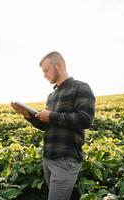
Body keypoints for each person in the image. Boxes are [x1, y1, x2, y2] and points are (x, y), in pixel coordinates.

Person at [11, 51, 95, 200]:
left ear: (59, 66)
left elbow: (85, 119)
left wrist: (51, 115)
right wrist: (28, 116)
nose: (44, 75)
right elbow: (48, 126)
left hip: (66, 159)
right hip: (48, 157)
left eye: (46, 70)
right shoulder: (52, 96)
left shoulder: (81, 88)